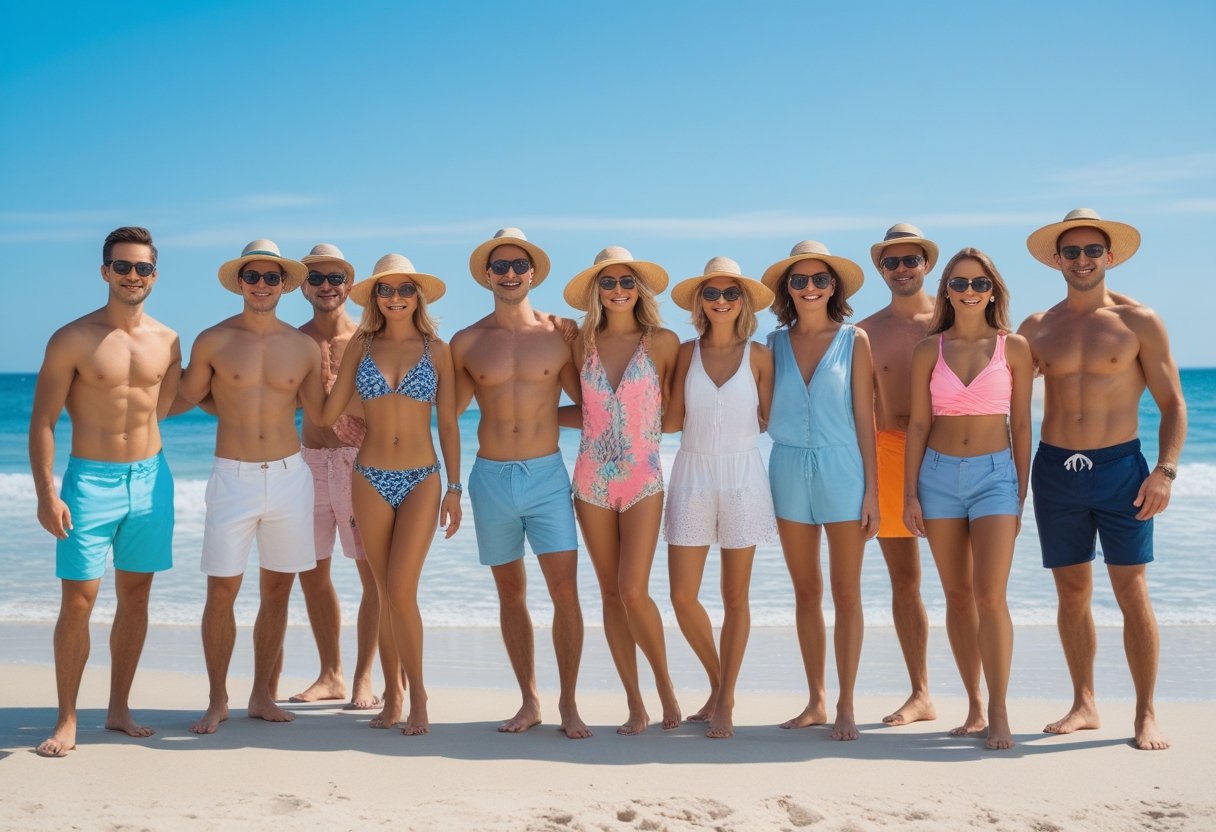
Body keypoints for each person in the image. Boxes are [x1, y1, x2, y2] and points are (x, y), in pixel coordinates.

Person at [1019, 209, 1186, 751]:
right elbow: (1004, 400)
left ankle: (1145, 713)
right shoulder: (1037, 327)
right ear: (1057, 260)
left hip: (1121, 471)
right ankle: (1084, 703)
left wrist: (1164, 471)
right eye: (1072, 252)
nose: (1083, 260)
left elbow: (1174, 405)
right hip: (1056, 470)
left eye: (1093, 251)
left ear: (1109, 257)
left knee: (1131, 590)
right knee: (1071, 592)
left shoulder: (1140, 322)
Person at [29, 227, 181, 756]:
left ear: (154, 275)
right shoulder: (72, 338)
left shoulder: (168, 340)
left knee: (137, 596)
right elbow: (43, 421)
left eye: (142, 268)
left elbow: (165, 406)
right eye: (123, 267)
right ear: (105, 272)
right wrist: (47, 493)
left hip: (150, 479)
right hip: (89, 480)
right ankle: (67, 718)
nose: (132, 276)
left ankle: (118, 708)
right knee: (79, 598)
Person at [175, 239, 325, 734]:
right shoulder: (213, 340)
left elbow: (320, 414)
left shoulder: (303, 346)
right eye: (253, 277)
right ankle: (218, 697)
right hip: (232, 476)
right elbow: (187, 396)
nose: (262, 285)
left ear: (284, 284)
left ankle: (261, 693)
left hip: (289, 476)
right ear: (240, 282)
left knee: (279, 590)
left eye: (271, 277)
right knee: (222, 590)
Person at [451, 228, 591, 739]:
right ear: (488, 275)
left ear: (532, 273)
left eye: (518, 266)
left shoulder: (560, 334)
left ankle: (570, 703)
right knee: (510, 592)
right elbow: (445, 414)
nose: (510, 274)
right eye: (500, 266)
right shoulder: (467, 341)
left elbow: (589, 404)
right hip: (489, 477)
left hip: (546, 475)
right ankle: (529, 700)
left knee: (565, 593)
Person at [318, 253, 461, 735]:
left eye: (404, 289)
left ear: (417, 295)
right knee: (383, 591)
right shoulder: (361, 345)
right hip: (370, 476)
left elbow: (449, 423)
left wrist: (455, 488)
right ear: (375, 297)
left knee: (401, 589)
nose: (395, 298)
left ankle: (417, 694)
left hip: (423, 477)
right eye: (386, 290)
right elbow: (325, 414)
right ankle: (393, 695)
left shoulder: (436, 349)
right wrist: (316, 372)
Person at [903, 249, 1032, 750]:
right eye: (959, 284)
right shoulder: (927, 350)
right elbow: (918, 423)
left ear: (993, 289)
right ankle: (975, 704)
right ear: (947, 291)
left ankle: (999, 709)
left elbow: (1021, 425)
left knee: (990, 596)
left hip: (996, 476)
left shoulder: (1013, 347)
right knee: (957, 596)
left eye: (979, 283)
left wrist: (1021, 491)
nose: (970, 291)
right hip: (936, 478)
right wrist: (910, 491)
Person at [560, 246, 681, 735]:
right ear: (595, 291)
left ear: (639, 289)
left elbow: (672, 414)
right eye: (607, 284)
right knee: (610, 594)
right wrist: (529, 425)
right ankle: (635, 704)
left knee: (633, 590)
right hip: (589, 478)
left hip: (642, 477)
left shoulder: (664, 342)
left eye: (626, 282)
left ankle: (666, 688)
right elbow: (579, 407)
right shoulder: (579, 341)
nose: (617, 291)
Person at [763, 241, 879, 741]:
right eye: (799, 280)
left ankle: (847, 704)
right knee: (806, 591)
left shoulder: (855, 340)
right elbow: (759, 413)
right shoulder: (771, 344)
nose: (810, 288)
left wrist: (873, 492)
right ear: (787, 288)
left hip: (844, 468)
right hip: (787, 468)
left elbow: (865, 419)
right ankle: (816, 700)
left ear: (834, 286)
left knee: (846, 592)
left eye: (820, 279)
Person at [663, 257, 776, 738]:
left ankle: (725, 701)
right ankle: (719, 684)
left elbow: (770, 418)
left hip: (743, 474)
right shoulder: (685, 353)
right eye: (712, 294)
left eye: (731, 293)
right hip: (690, 471)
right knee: (682, 597)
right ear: (699, 303)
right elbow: (669, 421)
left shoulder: (760, 356)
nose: (722, 301)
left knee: (735, 597)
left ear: (744, 301)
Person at [286, 243, 381, 710]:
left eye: (335, 278)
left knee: (373, 574)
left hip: (359, 463)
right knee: (312, 571)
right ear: (303, 286)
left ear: (350, 282)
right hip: (307, 462)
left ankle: (365, 677)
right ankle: (331, 674)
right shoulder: (293, 340)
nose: (327, 287)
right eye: (316, 279)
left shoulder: (369, 338)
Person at [856, 223, 940, 727]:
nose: (903, 269)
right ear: (880, 268)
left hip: (952, 452)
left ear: (927, 264)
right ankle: (921, 692)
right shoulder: (865, 331)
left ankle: (979, 696)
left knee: (967, 585)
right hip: (889, 454)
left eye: (911, 260)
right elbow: (858, 410)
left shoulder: (956, 319)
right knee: (905, 580)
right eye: (893, 262)